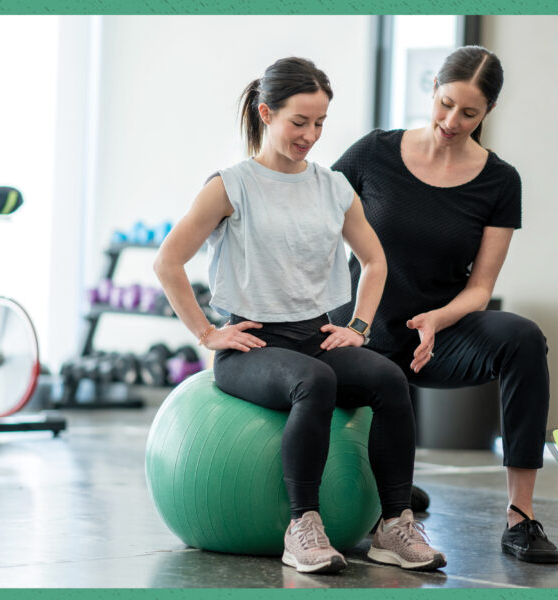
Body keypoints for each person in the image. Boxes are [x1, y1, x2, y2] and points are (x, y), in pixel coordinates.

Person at [153, 57, 446, 574]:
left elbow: (375, 261)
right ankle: (302, 526)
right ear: (266, 113)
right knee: (313, 382)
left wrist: (357, 326)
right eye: (298, 122)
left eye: (319, 124)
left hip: (316, 335)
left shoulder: (332, 186)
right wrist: (207, 332)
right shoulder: (231, 185)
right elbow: (168, 261)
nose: (309, 135)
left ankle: (393, 525)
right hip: (254, 346)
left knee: (388, 378)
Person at [329, 46, 558, 564]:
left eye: (469, 113)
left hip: (439, 333)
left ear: (488, 114)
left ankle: (520, 518)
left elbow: (480, 287)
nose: (451, 121)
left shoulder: (500, 181)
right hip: (361, 328)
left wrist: (439, 318)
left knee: (523, 338)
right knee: (372, 388)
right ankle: (389, 492)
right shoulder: (374, 153)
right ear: (433, 88)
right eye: (446, 104)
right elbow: (309, 215)